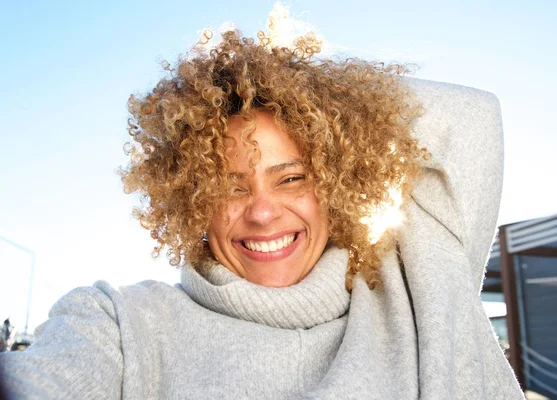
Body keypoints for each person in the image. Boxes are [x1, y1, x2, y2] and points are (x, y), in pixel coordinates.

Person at [0, 28, 524, 399]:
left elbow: (472, 121)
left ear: (335, 184)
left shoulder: (416, 286)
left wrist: (299, 88)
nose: (263, 212)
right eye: (229, 188)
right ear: (191, 201)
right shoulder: (118, 325)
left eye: (291, 178)